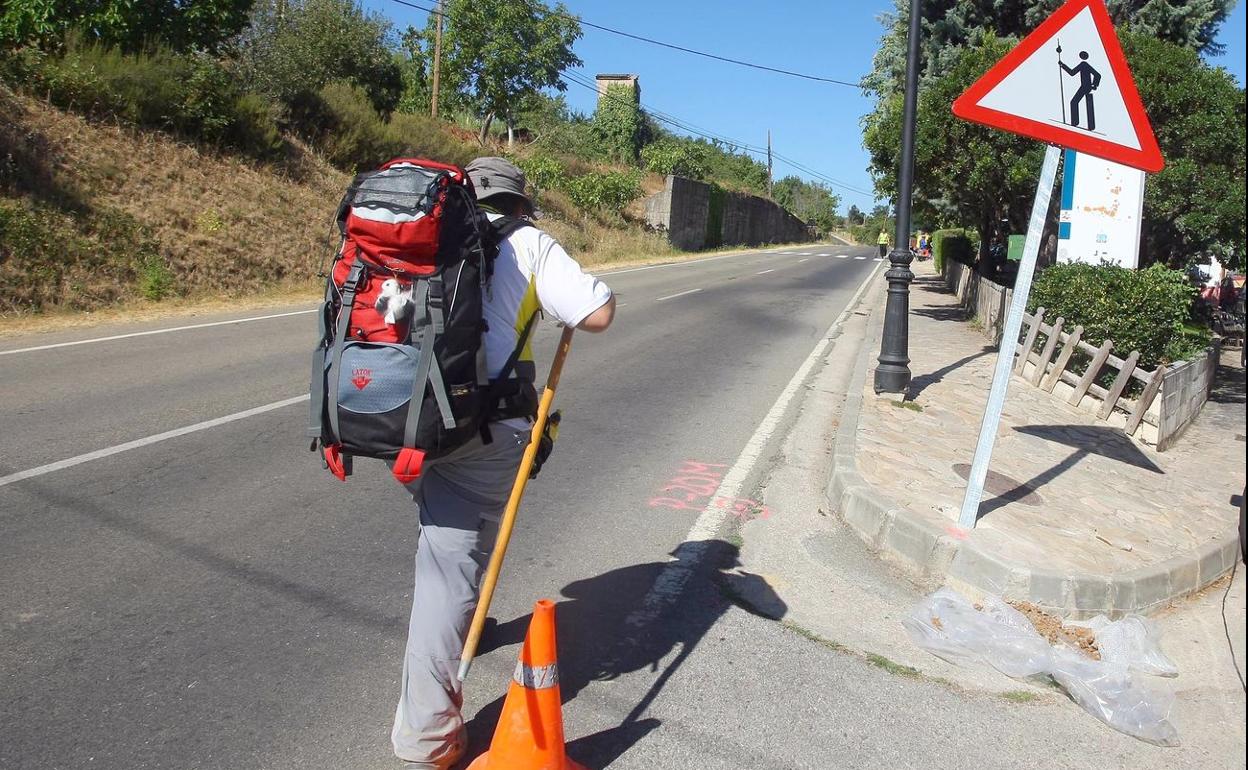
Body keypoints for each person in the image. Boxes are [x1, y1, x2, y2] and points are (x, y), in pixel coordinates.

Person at [390, 156, 615, 769]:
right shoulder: (530, 243)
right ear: (520, 203)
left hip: (414, 419)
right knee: (448, 573)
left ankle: (469, 621)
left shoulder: (434, 234)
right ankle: (426, 738)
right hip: (484, 431)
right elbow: (595, 314)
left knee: (451, 543)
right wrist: (601, 289)